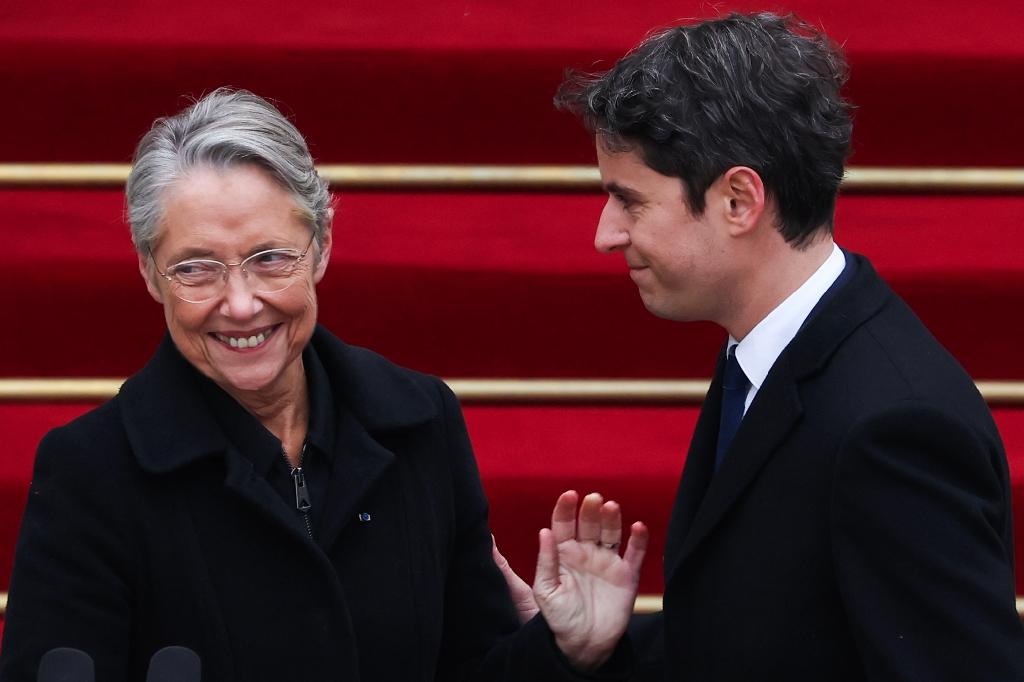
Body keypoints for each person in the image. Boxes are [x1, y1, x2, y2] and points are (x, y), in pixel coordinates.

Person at [0, 88, 647, 681]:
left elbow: (473, 666)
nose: (242, 303)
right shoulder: (91, 472)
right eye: (195, 269)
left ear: (323, 245)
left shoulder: (420, 421)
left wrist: (566, 651)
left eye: (270, 259)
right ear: (149, 273)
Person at [499, 12, 1024, 680]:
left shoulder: (893, 427)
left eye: (629, 201)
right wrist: (600, 646)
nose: (605, 234)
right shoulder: (767, 358)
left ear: (739, 200)